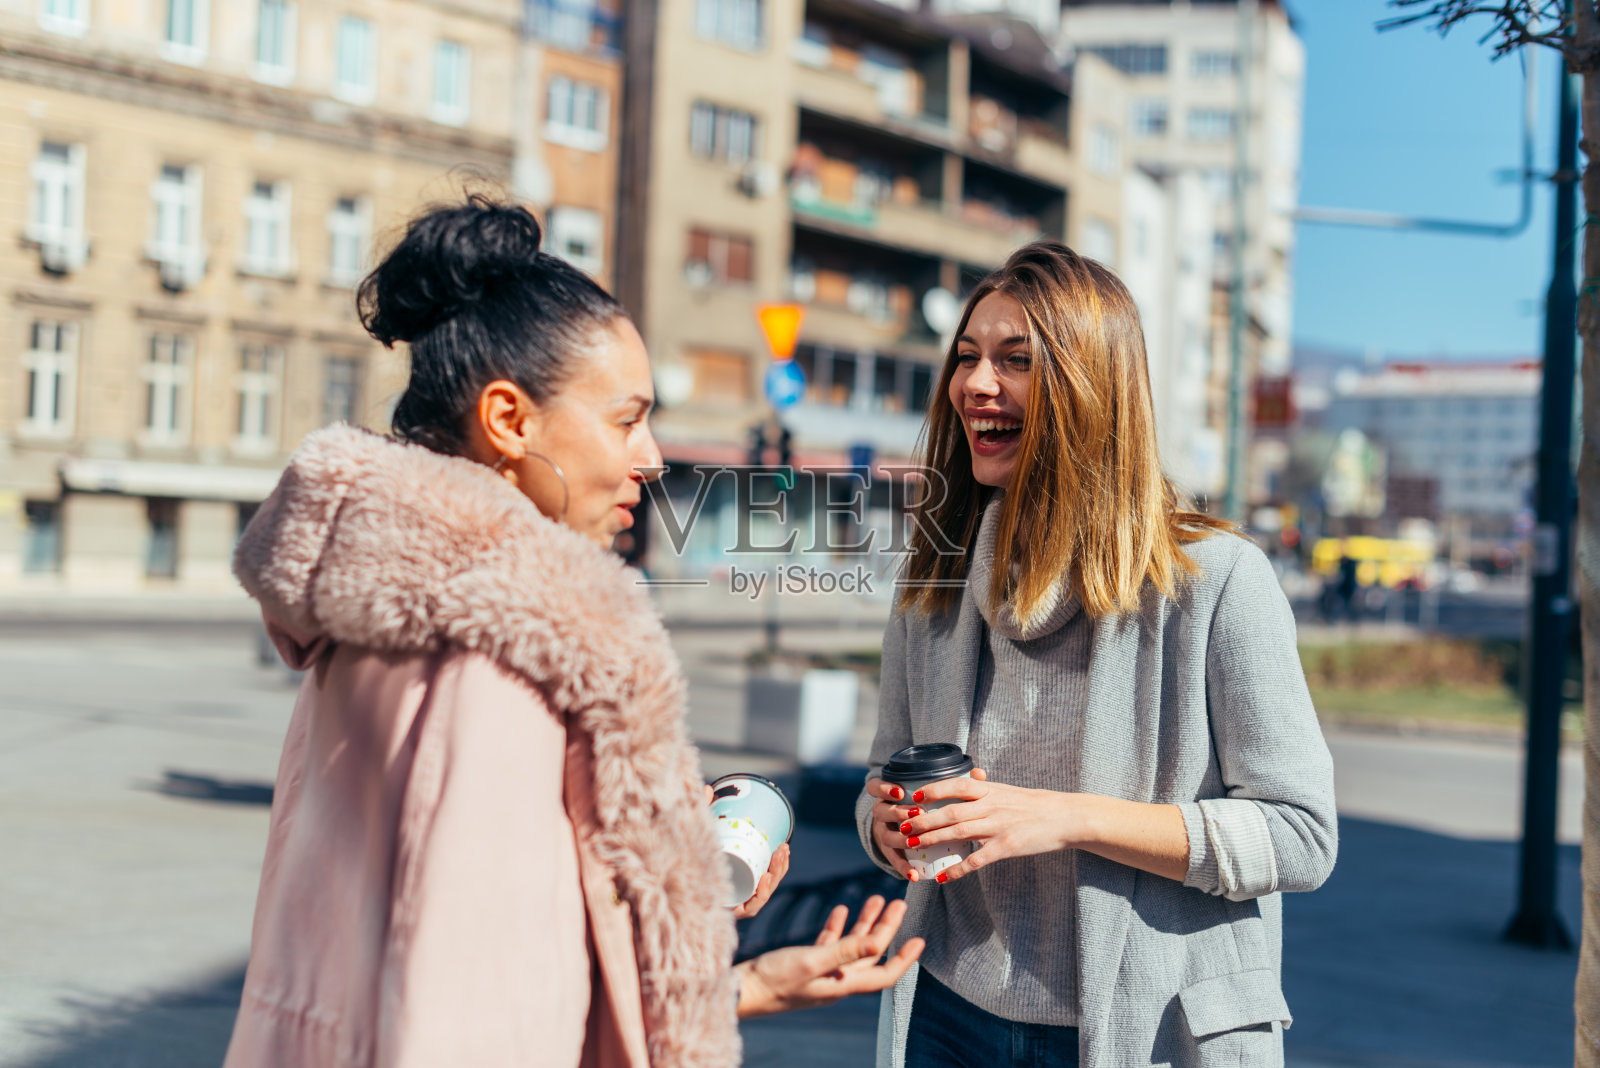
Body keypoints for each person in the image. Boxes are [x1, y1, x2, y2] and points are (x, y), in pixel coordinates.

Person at [223, 195, 922, 1068]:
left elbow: (487, 936)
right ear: (510, 421)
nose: (654, 456)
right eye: (627, 419)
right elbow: (465, 1014)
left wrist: (660, 865)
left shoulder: (388, 607)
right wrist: (741, 983)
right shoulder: (501, 650)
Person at [854, 242, 1337, 1068]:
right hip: (945, 1012)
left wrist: (1063, 817)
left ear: (1091, 389)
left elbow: (1300, 837)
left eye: (1015, 360)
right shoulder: (934, 576)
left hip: (1142, 1031)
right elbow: (878, 784)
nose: (974, 384)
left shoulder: (1217, 581)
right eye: (967, 358)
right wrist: (885, 830)